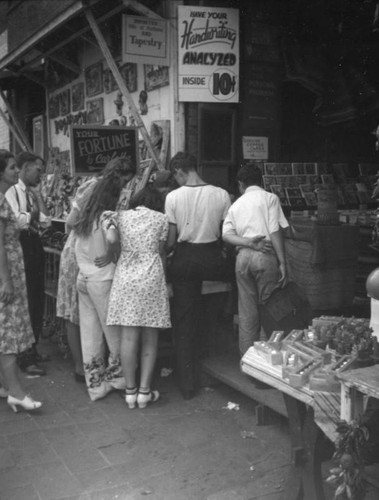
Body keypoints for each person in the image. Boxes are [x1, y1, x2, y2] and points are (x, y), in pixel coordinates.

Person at [56, 161, 137, 383]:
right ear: (117, 176)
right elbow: (71, 221)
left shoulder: (97, 189)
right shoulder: (95, 189)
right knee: (79, 312)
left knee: (87, 314)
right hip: (85, 252)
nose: (126, 185)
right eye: (125, 180)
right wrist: (95, 225)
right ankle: (83, 368)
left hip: (84, 251)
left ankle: (92, 372)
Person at [165, 152, 234, 399]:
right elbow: (227, 233)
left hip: (184, 260)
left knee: (184, 321)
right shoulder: (221, 194)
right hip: (213, 259)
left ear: (179, 172)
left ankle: (187, 385)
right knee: (211, 313)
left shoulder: (173, 197)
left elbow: (171, 240)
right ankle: (230, 307)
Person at [73, 158, 133, 401]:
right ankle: (118, 378)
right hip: (102, 280)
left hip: (83, 277)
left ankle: (95, 385)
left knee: (90, 335)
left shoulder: (85, 218)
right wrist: (111, 252)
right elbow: (111, 239)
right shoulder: (108, 215)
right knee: (113, 333)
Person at [222, 163, 289, 356]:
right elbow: (274, 229)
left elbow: (226, 234)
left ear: (240, 184)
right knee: (270, 310)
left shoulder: (237, 204)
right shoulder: (270, 198)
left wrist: (247, 243)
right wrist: (282, 261)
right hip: (265, 255)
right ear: (262, 181)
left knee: (247, 313)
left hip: (242, 258)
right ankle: (266, 363)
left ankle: (248, 361)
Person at [0, 149, 42, 412]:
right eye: (13, 167)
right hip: (7, 271)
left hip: (11, 268)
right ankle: (16, 391)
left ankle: (5, 385)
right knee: (9, 333)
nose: (17, 171)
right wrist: (6, 279)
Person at [5, 151, 51, 377]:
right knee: (26, 301)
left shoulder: (31, 192)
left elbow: (46, 221)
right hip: (21, 246)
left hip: (33, 245)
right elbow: (18, 220)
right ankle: (25, 355)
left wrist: (36, 208)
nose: (40, 175)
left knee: (36, 298)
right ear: (25, 168)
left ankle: (32, 347)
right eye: (37, 170)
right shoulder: (12, 191)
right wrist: (32, 215)